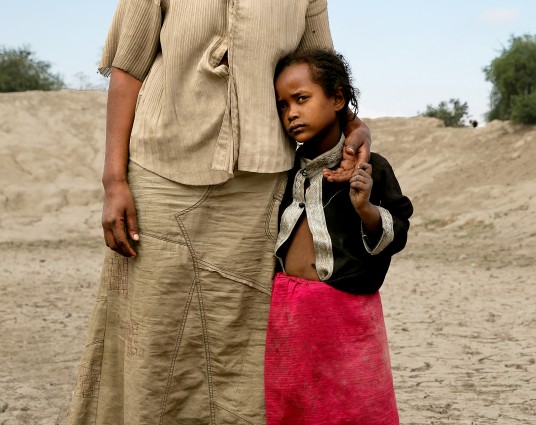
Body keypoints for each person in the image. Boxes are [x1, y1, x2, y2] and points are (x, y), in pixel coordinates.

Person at [67, 2, 371, 424]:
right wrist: (114, 181)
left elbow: (321, 72)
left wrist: (357, 127)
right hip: (160, 170)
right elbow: (128, 69)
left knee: (239, 345)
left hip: (258, 185)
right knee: (151, 334)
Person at [265, 49, 413, 424]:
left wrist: (366, 209)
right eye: (283, 106)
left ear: (337, 98)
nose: (291, 113)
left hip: (346, 314)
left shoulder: (371, 167)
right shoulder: (282, 171)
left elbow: (398, 229)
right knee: (292, 405)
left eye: (301, 99)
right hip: (287, 312)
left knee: (355, 404)